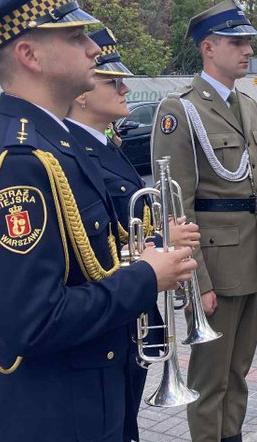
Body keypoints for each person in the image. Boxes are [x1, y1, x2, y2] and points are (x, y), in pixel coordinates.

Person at [0, 0, 197, 442]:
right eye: (77, 36)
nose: (95, 48)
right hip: (44, 413)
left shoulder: (54, 142)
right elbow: (33, 321)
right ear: (29, 54)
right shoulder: (18, 159)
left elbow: (88, 264)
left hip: (80, 398)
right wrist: (146, 276)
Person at [152, 0, 257, 442]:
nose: (247, 50)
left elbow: (250, 177)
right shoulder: (181, 108)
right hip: (218, 267)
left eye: (248, 42)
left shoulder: (246, 105)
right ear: (208, 47)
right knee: (211, 380)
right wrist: (197, 280)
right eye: (236, 42)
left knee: (239, 370)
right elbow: (175, 206)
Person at [65, 28, 201, 414]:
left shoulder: (106, 143)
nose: (125, 89)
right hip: (112, 311)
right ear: (82, 93)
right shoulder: (76, 154)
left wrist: (163, 234)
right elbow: (93, 247)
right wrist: (162, 240)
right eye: (114, 81)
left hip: (132, 307)